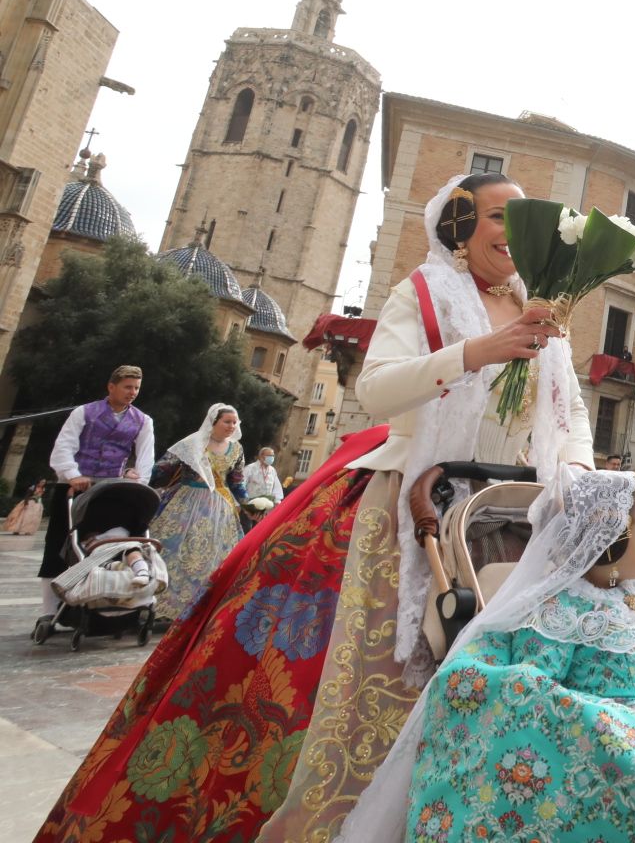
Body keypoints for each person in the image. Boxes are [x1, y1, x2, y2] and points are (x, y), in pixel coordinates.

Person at [34, 172, 596, 843]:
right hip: (406, 510)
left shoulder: (544, 309)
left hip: (506, 520)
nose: (515, 234)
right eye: (502, 217)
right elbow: (379, 391)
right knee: (368, 690)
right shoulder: (419, 292)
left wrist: (581, 472)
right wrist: (474, 353)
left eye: (524, 220)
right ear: (458, 224)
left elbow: (570, 413)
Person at [338, 468, 635, 843]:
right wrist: (606, 716)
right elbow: (537, 690)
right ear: (611, 542)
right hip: (614, 727)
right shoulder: (559, 608)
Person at [36, 364, 153, 626]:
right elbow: (64, 445)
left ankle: (107, 603)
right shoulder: (84, 413)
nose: (132, 392)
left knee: (113, 540)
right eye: (127, 387)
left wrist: (137, 479)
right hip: (75, 487)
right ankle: (48, 610)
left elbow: (146, 456)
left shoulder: (143, 421)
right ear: (111, 387)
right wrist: (72, 473)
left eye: (136, 388)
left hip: (111, 489)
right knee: (57, 546)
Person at [148, 403, 248, 624]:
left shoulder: (236, 449)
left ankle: (202, 609)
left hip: (220, 510)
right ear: (213, 422)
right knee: (175, 549)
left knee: (215, 556)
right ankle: (163, 605)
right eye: (227, 421)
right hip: (185, 504)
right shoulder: (192, 443)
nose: (232, 426)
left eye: (234, 422)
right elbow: (161, 469)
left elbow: (237, 481)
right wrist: (143, 482)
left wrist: (250, 504)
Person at [241, 443, 284, 515]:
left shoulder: (272, 470)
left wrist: (277, 502)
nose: (272, 458)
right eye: (269, 456)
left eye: (273, 456)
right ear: (261, 456)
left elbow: (276, 488)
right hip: (250, 507)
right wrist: (243, 502)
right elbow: (241, 485)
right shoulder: (250, 468)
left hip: (266, 508)